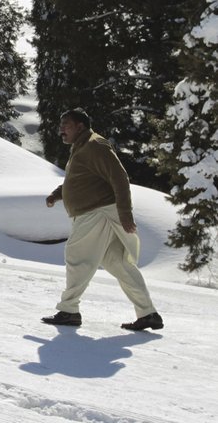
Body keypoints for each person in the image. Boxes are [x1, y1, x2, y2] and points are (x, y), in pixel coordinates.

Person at [41, 108, 163, 331]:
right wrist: (57, 194)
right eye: (61, 125)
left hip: (97, 212)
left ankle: (69, 311)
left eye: (65, 124)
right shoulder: (81, 147)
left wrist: (125, 213)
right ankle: (148, 314)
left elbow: (120, 178)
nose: (61, 130)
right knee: (117, 263)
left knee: (77, 256)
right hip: (98, 212)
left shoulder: (95, 145)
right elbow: (81, 179)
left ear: (80, 126)